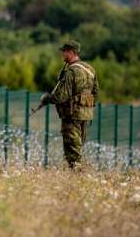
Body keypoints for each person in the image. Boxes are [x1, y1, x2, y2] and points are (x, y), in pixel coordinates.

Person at [41, 40, 99, 169]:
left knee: (72, 151)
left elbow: (61, 96)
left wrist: (46, 98)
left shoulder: (71, 72)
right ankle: (77, 175)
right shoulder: (90, 69)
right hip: (85, 115)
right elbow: (95, 93)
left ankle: (77, 177)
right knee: (78, 146)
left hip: (71, 115)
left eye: (64, 52)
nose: (62, 54)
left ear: (72, 52)